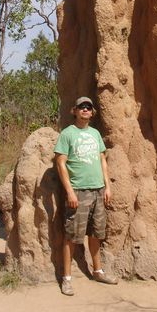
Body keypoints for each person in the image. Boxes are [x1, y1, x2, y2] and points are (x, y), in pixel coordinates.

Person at [54, 96, 118, 296]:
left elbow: (102, 161)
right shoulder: (67, 134)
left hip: (98, 190)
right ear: (74, 110)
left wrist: (107, 186)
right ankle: (67, 278)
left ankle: (97, 271)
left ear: (92, 112)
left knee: (96, 234)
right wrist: (70, 191)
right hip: (78, 192)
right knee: (71, 236)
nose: (85, 109)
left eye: (88, 107)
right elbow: (60, 163)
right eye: (81, 106)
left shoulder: (95, 134)